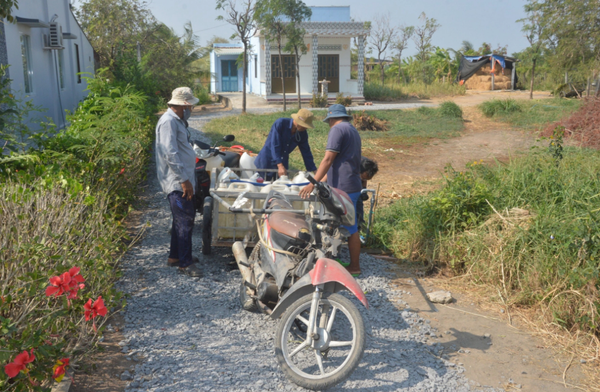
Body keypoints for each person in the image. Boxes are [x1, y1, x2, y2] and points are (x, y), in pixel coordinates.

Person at [299, 104, 363, 276]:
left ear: (332, 119)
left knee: (351, 228)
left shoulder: (337, 130)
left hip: (345, 187)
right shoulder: (352, 130)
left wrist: (313, 182)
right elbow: (339, 162)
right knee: (343, 225)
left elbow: (328, 159)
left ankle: (355, 267)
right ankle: (335, 259)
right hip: (352, 184)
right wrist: (322, 182)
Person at [155, 87, 202, 277]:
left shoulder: (177, 121)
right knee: (185, 220)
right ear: (182, 105)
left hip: (180, 179)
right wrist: (184, 180)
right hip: (176, 181)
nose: (191, 108)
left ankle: (175, 256)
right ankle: (185, 262)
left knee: (179, 219)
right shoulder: (168, 122)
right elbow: (170, 153)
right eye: (189, 105)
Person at [254, 108, 317, 180]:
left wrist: (314, 170)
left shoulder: (302, 133)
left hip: (283, 161)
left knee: (281, 187)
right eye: (304, 125)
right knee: (262, 186)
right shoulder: (280, 124)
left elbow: (306, 152)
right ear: (298, 121)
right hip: (267, 160)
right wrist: (280, 165)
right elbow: (275, 145)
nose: (306, 128)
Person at [357, 156, 379, 229]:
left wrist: (364, 191)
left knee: (359, 201)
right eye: (363, 177)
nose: (364, 179)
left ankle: (360, 224)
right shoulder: (353, 164)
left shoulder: (367, 167)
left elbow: (364, 179)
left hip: (356, 180)